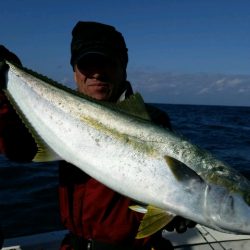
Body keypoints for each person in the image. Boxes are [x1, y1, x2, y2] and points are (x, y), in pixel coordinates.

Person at [0, 21, 195, 250]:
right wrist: (5, 89)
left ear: (123, 68)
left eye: (107, 64)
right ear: (74, 73)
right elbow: (18, 148)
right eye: (86, 65)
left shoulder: (152, 123)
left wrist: (179, 205)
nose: (96, 73)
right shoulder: (58, 117)